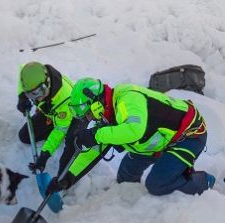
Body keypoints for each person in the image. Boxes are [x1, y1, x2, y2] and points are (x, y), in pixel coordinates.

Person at [46, 77, 215, 196]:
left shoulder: (127, 98)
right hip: (157, 141)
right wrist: (68, 178)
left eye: (88, 114)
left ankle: (202, 181)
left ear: (96, 104)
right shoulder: (106, 114)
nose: (89, 119)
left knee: (156, 185)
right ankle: (138, 205)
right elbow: (95, 149)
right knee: (125, 179)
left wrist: (96, 135)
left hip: (188, 134)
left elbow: (134, 130)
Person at [16, 62, 84, 176]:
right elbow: (22, 75)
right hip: (50, 112)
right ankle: (51, 124)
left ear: (47, 82)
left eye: (39, 92)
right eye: (31, 94)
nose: (37, 97)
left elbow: (60, 129)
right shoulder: (32, 74)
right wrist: (22, 96)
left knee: (71, 140)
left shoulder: (66, 99)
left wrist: (45, 155)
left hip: (70, 116)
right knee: (24, 136)